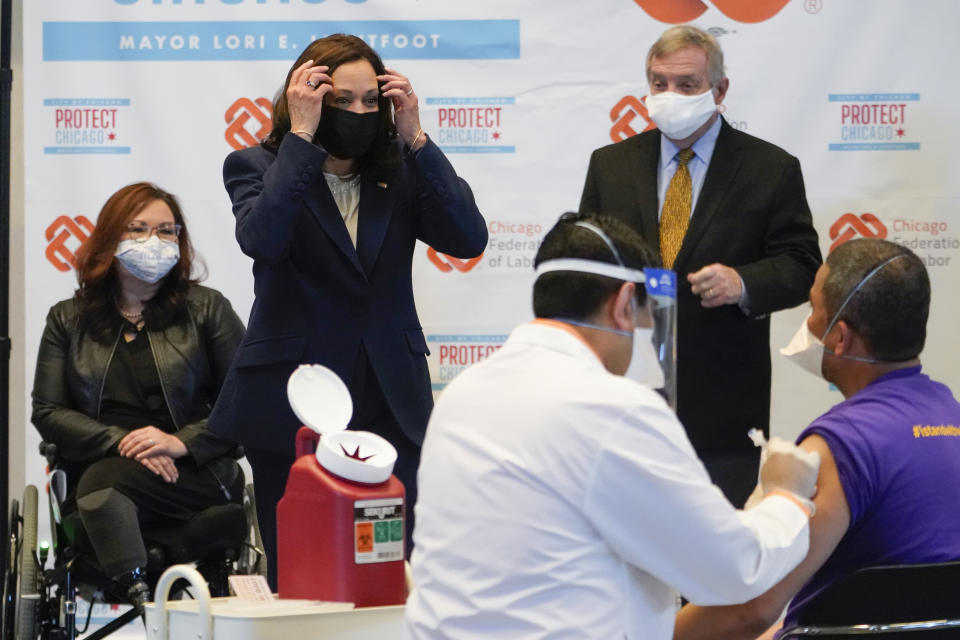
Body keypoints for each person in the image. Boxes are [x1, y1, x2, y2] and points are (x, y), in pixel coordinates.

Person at [404, 212, 820, 640]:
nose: (647, 330)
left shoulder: (465, 391)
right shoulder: (612, 408)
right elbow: (732, 568)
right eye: (648, 315)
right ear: (624, 304)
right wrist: (786, 496)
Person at [206, 33, 488, 589]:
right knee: (302, 576)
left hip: (390, 398)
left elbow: (467, 237)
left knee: (391, 572)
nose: (358, 113)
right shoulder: (256, 164)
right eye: (342, 100)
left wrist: (416, 137)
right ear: (305, 96)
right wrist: (304, 138)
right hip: (293, 401)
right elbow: (263, 238)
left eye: (369, 100)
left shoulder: (400, 169)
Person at [579, 25, 821, 506]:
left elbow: (802, 264)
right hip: (624, 404)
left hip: (724, 412)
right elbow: (587, 263)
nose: (670, 95)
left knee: (713, 571)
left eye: (687, 85)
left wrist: (743, 282)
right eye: (659, 83)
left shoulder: (769, 169)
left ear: (720, 89)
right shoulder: (611, 165)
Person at [673, 238, 960, 639]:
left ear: (839, 337)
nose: (807, 325)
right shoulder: (952, 416)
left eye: (812, 309)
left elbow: (749, 611)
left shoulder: (838, 448)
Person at [31, 182, 245, 606]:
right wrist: (123, 443)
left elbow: (244, 404)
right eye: (138, 229)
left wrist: (178, 443)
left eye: (167, 231)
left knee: (101, 487)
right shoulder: (67, 319)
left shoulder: (207, 309)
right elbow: (48, 410)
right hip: (102, 466)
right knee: (102, 481)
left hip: (194, 473)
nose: (155, 241)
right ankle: (154, 576)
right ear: (109, 239)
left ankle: (142, 580)